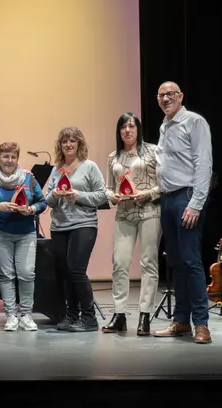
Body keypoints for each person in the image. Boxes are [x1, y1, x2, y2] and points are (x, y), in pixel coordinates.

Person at [151, 81, 213, 344]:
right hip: (167, 199)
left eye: (170, 95)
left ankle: (202, 324)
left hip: (187, 197)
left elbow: (203, 162)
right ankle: (181, 321)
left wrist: (196, 203)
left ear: (181, 96)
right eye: (161, 95)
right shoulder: (165, 126)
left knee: (191, 262)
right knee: (175, 263)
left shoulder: (194, 122)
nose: (165, 99)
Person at [43, 127, 108, 332]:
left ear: (79, 144)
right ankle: (71, 316)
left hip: (83, 225)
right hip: (59, 226)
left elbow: (102, 196)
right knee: (64, 272)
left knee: (77, 271)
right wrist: (54, 194)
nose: (68, 145)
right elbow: (48, 201)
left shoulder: (89, 167)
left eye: (72, 141)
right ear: (60, 145)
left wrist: (78, 195)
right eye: (64, 141)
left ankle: (89, 318)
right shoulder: (56, 169)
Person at [101, 113, 161, 336]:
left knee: (148, 263)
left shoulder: (153, 151)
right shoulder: (113, 157)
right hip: (124, 213)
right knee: (120, 263)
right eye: (123, 127)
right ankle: (119, 314)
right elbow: (108, 187)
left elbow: (164, 184)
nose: (127, 130)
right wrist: (113, 197)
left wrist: (147, 193)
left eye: (131, 126)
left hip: (150, 211)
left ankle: (145, 315)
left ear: (138, 129)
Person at [0, 142, 47, 331]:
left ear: (17, 159)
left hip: (26, 234)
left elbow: (42, 202)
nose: (9, 160)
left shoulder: (28, 178)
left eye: (13, 157)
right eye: (5, 156)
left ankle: (26, 315)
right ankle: (11, 316)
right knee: (6, 275)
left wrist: (32, 209)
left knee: (26, 274)